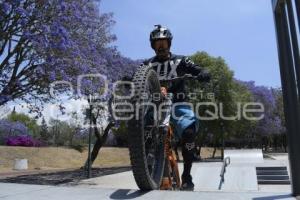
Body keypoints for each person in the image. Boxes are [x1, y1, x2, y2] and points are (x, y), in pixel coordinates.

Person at [143, 24, 211, 191]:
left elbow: (195, 69)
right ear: (153, 45)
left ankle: (187, 177)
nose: (161, 46)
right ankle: (145, 168)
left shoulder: (181, 60)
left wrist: (202, 72)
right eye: (157, 43)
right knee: (141, 130)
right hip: (155, 104)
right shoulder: (147, 64)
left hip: (178, 104)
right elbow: (137, 79)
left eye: (163, 42)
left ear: (169, 44)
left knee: (188, 132)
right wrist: (129, 79)